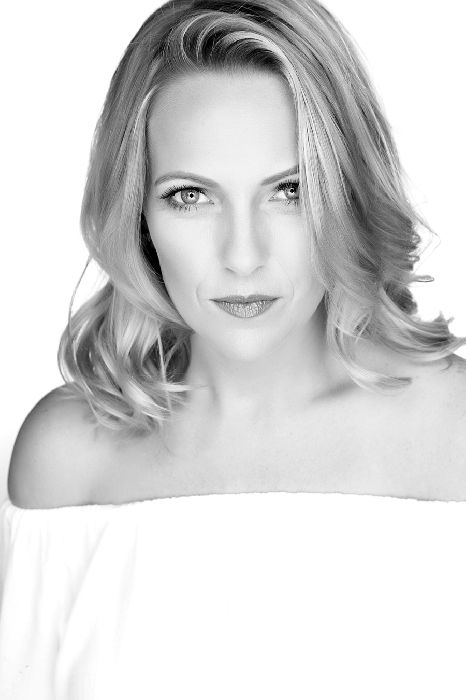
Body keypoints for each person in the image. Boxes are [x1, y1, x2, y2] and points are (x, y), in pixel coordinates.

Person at [1, 1, 466, 697]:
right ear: (137, 212)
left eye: (290, 191)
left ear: (347, 194)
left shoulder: (455, 435)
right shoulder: (67, 462)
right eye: (191, 196)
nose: (242, 256)